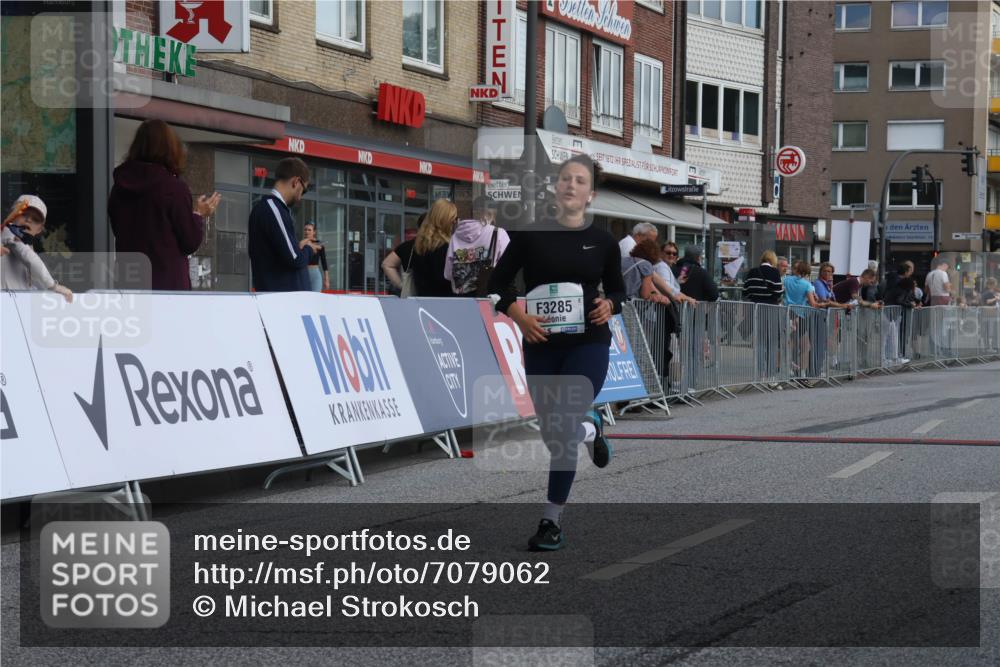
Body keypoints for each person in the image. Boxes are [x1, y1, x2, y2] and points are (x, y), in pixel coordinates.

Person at [487, 154, 626, 552]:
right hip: (542, 344)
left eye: (579, 181)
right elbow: (497, 285)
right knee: (553, 432)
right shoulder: (530, 234)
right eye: (565, 179)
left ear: (590, 194)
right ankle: (592, 428)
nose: (570, 185)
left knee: (562, 427)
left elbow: (619, 291)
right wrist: (519, 317)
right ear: (555, 187)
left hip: (589, 342)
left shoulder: (604, 241)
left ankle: (550, 522)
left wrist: (610, 305)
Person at [108, 119, 218, 290]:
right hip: (167, 287)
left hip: (128, 284)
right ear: (170, 149)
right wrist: (198, 215)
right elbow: (189, 242)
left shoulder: (119, 187)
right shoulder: (173, 189)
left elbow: (118, 229)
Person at [248, 157, 318, 292]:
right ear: (296, 182)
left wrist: (298, 247)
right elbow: (295, 258)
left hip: (278, 296)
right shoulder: (274, 209)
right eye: (303, 191)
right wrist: (308, 249)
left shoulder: (269, 208)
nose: (300, 197)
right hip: (283, 299)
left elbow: (281, 253)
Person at [1, 195, 73, 302]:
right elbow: (30, 259)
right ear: (13, 215)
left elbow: (33, 281)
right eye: (24, 213)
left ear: (39, 229)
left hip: (16, 305)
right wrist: (54, 286)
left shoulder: (26, 244)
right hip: (6, 305)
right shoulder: (9, 232)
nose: (28, 219)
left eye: (35, 218)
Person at [445, 196, 510, 296]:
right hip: (488, 298)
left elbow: (448, 274)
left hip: (460, 299)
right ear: (490, 213)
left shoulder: (456, 236)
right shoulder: (499, 233)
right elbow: (507, 268)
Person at [411, 198, 457, 297]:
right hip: (443, 302)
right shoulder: (444, 246)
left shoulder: (420, 244)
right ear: (443, 220)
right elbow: (443, 279)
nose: (454, 222)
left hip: (423, 301)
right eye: (452, 218)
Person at [784, 260, 823, 376]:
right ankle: (800, 371)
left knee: (789, 342)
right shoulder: (807, 285)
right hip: (800, 316)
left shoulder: (786, 280)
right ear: (806, 272)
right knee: (805, 346)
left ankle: (791, 365)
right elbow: (813, 303)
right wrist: (823, 304)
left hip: (786, 313)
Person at [381, 213, 425, 293]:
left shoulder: (407, 246)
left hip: (411, 296)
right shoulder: (443, 246)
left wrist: (402, 285)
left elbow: (386, 264)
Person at [302, 223, 329, 292]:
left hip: (315, 274)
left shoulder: (319, 244)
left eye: (309, 230)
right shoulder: (302, 243)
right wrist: (308, 241)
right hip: (304, 273)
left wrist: (326, 279)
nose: (307, 232)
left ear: (314, 232)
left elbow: (324, 262)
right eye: (305, 230)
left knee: (315, 297)